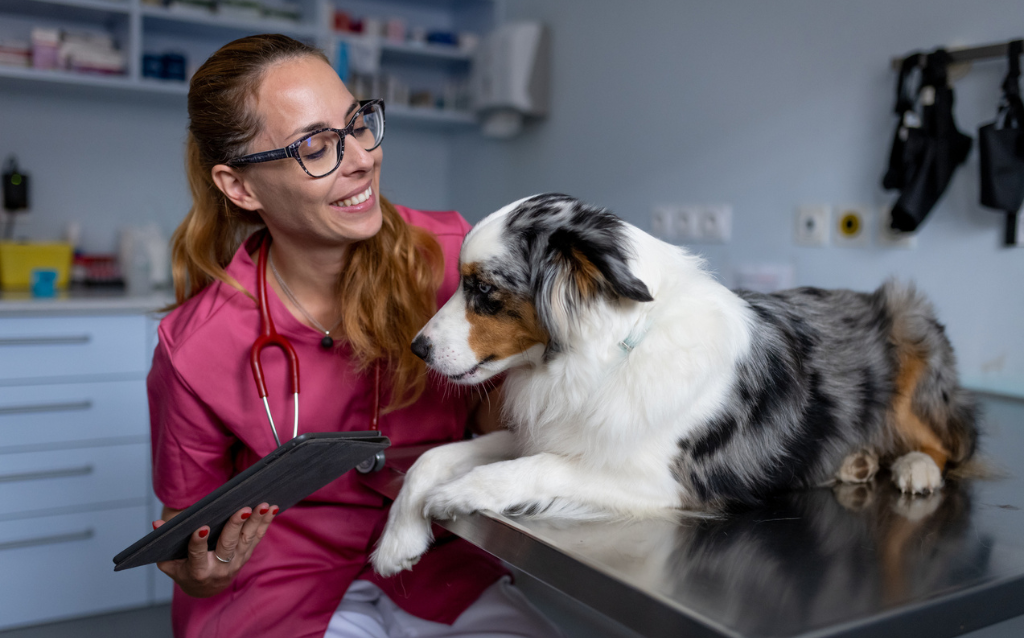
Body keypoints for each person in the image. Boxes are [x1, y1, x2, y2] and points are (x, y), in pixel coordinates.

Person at [147, 34, 562, 638]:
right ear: (240, 187)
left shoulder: (453, 263)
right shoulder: (197, 345)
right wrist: (201, 570)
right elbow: (186, 527)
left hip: (435, 562)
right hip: (280, 583)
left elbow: (510, 425)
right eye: (316, 145)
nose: (362, 157)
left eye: (357, 124)